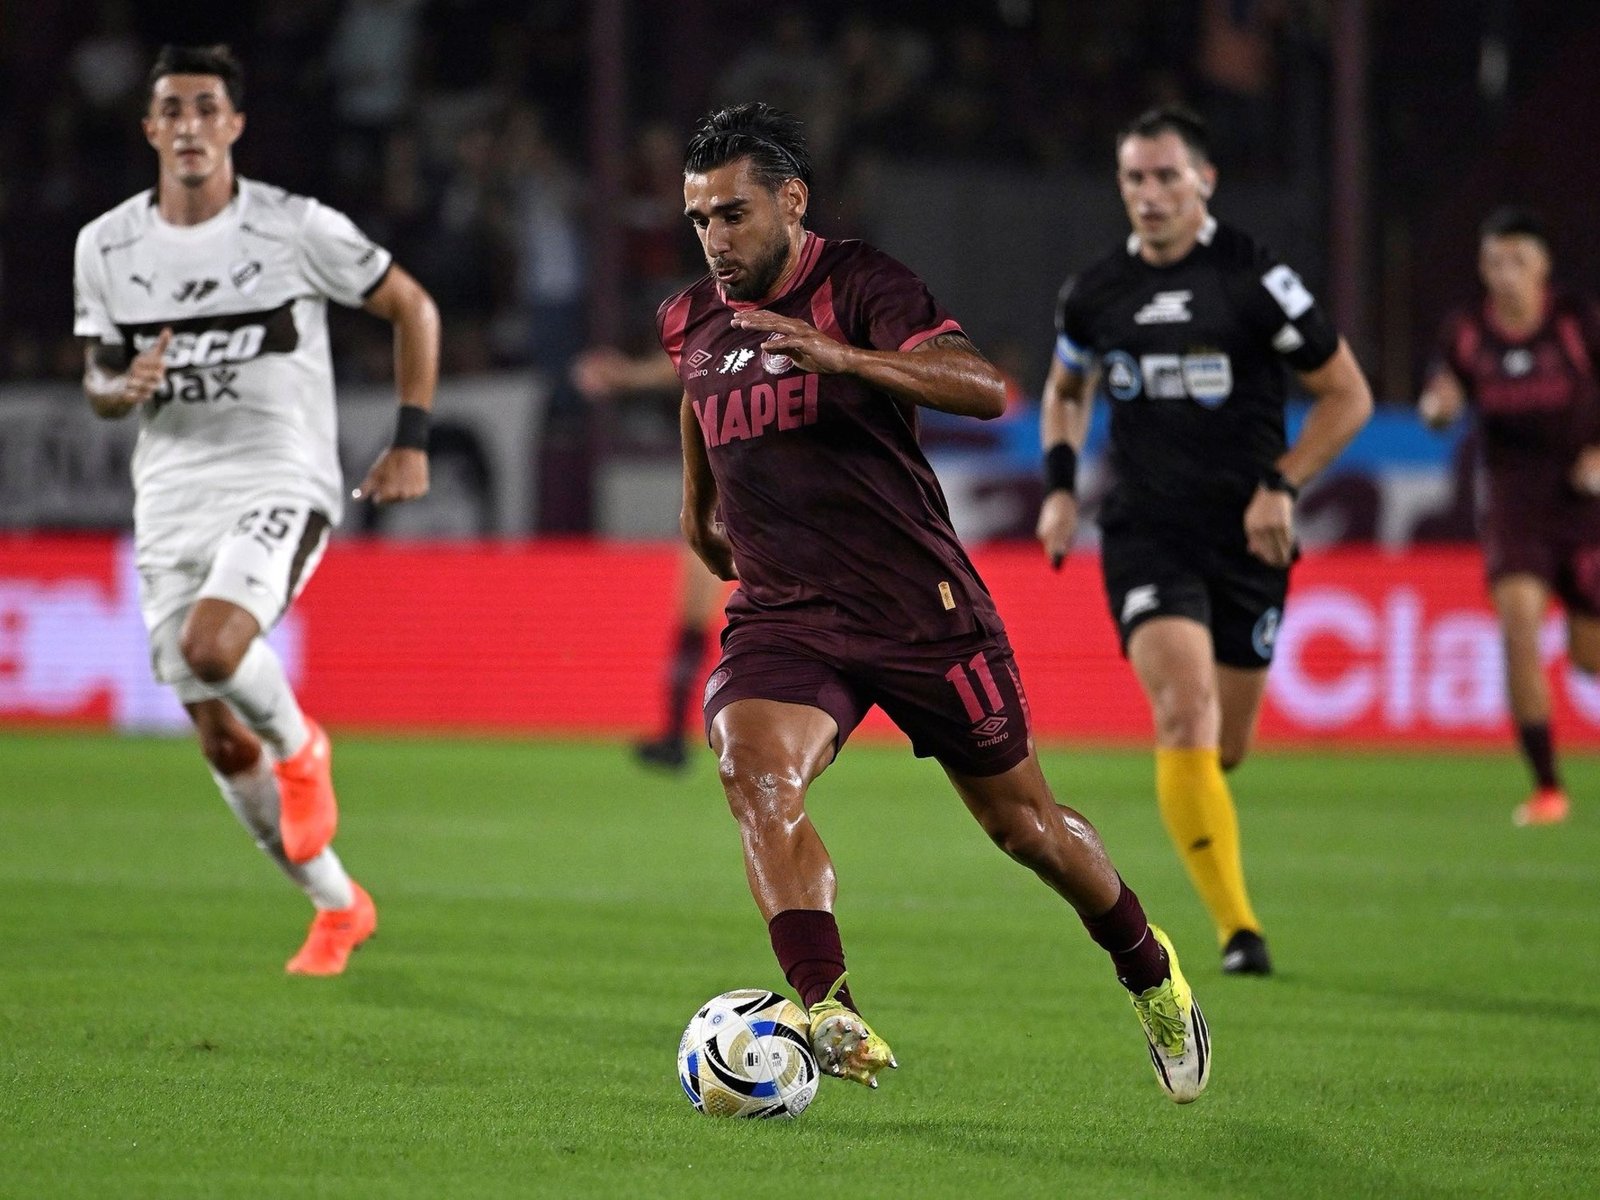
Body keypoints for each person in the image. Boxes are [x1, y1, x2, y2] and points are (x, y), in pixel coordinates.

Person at [662, 102, 1210, 1102]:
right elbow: (699, 401)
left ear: (791, 200)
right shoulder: (691, 317)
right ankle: (826, 1005)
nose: (714, 239)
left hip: (920, 607)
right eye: (699, 219)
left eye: (732, 215)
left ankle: (1147, 965)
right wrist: (699, 513)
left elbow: (980, 385)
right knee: (754, 772)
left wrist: (850, 361)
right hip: (786, 617)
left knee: (1026, 830)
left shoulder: (862, 285)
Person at [73, 45, 441, 975]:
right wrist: (121, 390)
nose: (190, 125)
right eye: (173, 109)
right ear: (150, 127)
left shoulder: (293, 227)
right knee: (212, 725)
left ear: (234, 125)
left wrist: (410, 438)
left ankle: (302, 743)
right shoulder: (106, 245)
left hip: (280, 475)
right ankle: (337, 904)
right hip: (170, 499)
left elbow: (414, 307)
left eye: (208, 108)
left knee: (213, 648)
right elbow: (98, 377)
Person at [1036, 106, 1372, 976]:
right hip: (1146, 533)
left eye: (1165, 177)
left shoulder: (1257, 279)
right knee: (1184, 711)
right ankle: (1239, 932)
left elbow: (1347, 396)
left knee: (1223, 746)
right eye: (1134, 179)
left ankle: (1218, 873)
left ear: (1204, 181)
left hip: (1249, 538)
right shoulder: (1096, 291)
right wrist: (1063, 488)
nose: (1148, 196)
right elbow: (1065, 389)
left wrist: (1283, 483)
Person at [1419, 207, 1600, 827]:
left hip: (1585, 502)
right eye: (1494, 260)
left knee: (1588, 655)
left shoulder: (1577, 322)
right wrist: (1438, 409)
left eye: (1518, 259)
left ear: (1543, 266)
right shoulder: (1468, 332)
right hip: (1514, 506)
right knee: (1518, 629)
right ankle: (1549, 787)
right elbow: (1442, 400)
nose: (1505, 273)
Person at [571, 346, 730, 769]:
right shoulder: (748, 325)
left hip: (745, 496)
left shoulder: (746, 325)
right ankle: (677, 735)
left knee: (701, 618)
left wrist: (625, 377)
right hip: (733, 496)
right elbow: (688, 364)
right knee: (695, 618)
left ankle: (682, 735)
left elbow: (687, 363)